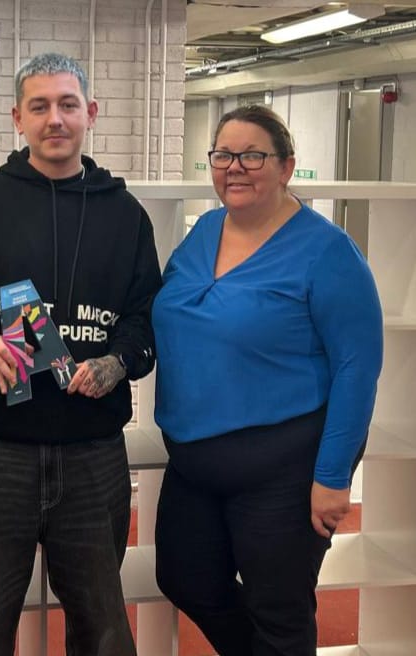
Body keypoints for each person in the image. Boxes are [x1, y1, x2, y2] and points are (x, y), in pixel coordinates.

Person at [0, 52, 161, 656]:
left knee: (104, 633)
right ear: (17, 118)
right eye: (40, 106)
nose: (56, 118)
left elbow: (147, 315)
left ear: (91, 114)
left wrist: (119, 362)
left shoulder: (126, 215)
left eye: (68, 104)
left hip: (93, 454)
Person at [152, 104, 383, 656]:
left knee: (279, 611)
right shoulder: (204, 232)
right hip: (193, 463)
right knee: (184, 579)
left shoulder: (327, 252)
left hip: (284, 470)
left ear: (285, 167)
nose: (236, 166)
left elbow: (358, 368)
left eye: (253, 155)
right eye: (223, 155)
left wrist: (332, 477)